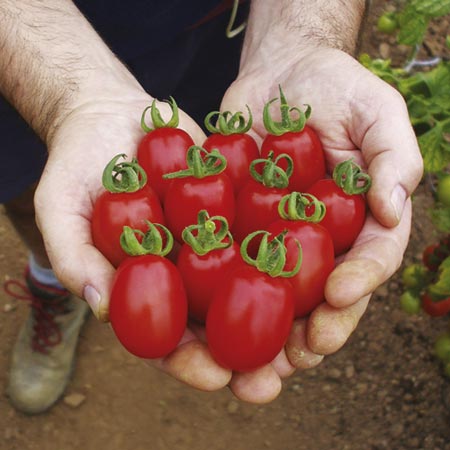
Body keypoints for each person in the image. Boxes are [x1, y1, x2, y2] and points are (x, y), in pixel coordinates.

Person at [0, 0, 423, 414]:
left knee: (199, 124)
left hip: (216, 25)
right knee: (35, 186)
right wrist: (71, 99)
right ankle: (51, 282)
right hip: (27, 34)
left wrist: (303, 37)